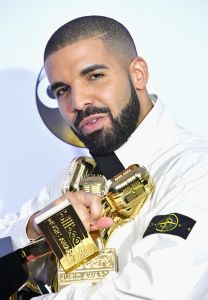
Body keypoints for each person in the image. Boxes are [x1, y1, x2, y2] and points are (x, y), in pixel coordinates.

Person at [1, 15, 208, 299]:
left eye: (94, 76)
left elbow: (151, 292)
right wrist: (33, 229)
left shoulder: (196, 169)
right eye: (62, 90)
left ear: (138, 74)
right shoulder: (69, 179)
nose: (78, 102)